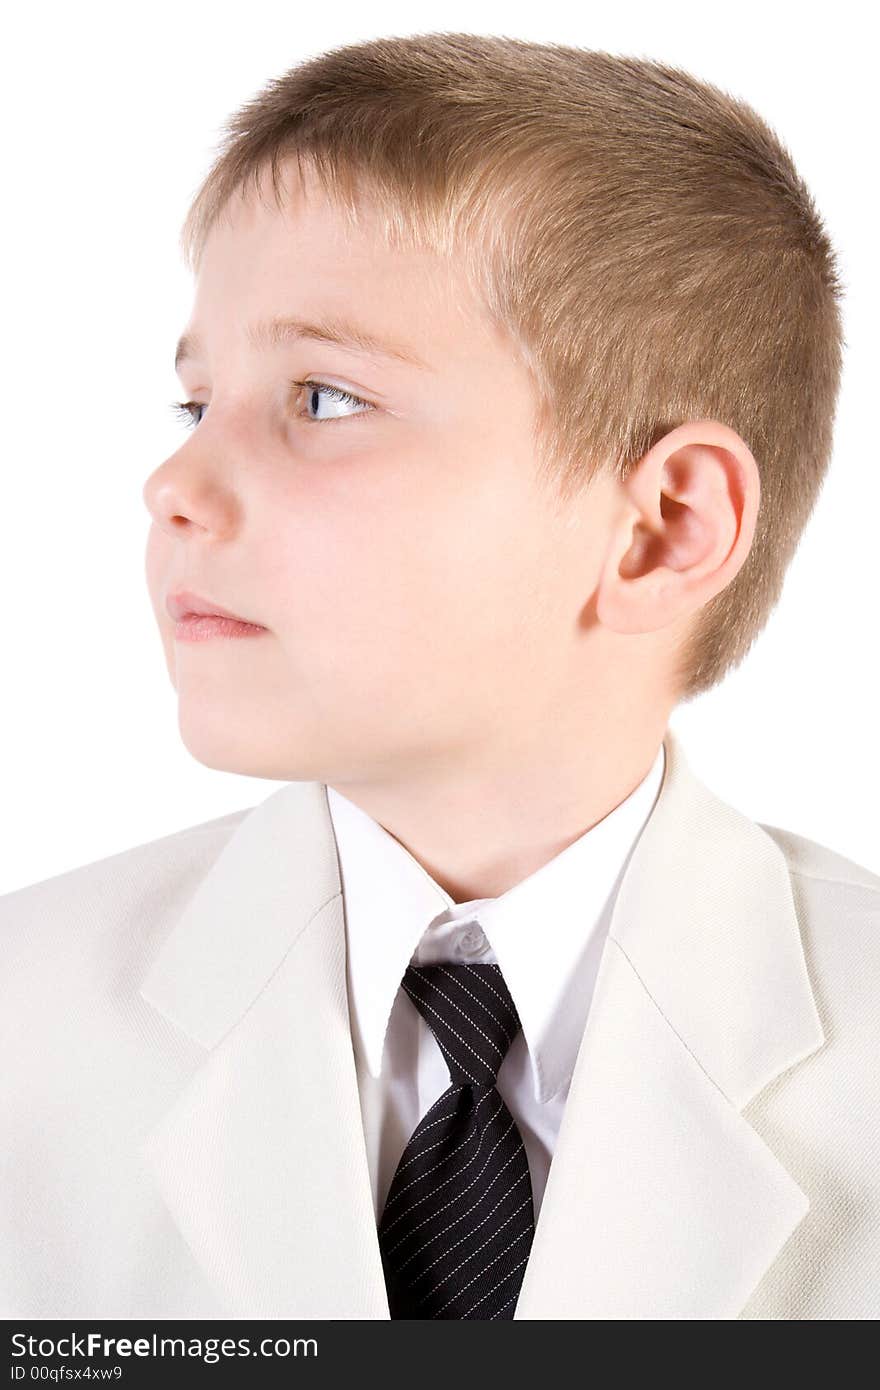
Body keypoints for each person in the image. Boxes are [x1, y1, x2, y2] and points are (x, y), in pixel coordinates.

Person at [2, 32, 878, 1322]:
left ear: (662, 530)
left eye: (326, 398)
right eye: (196, 405)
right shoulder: (25, 1023)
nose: (174, 489)